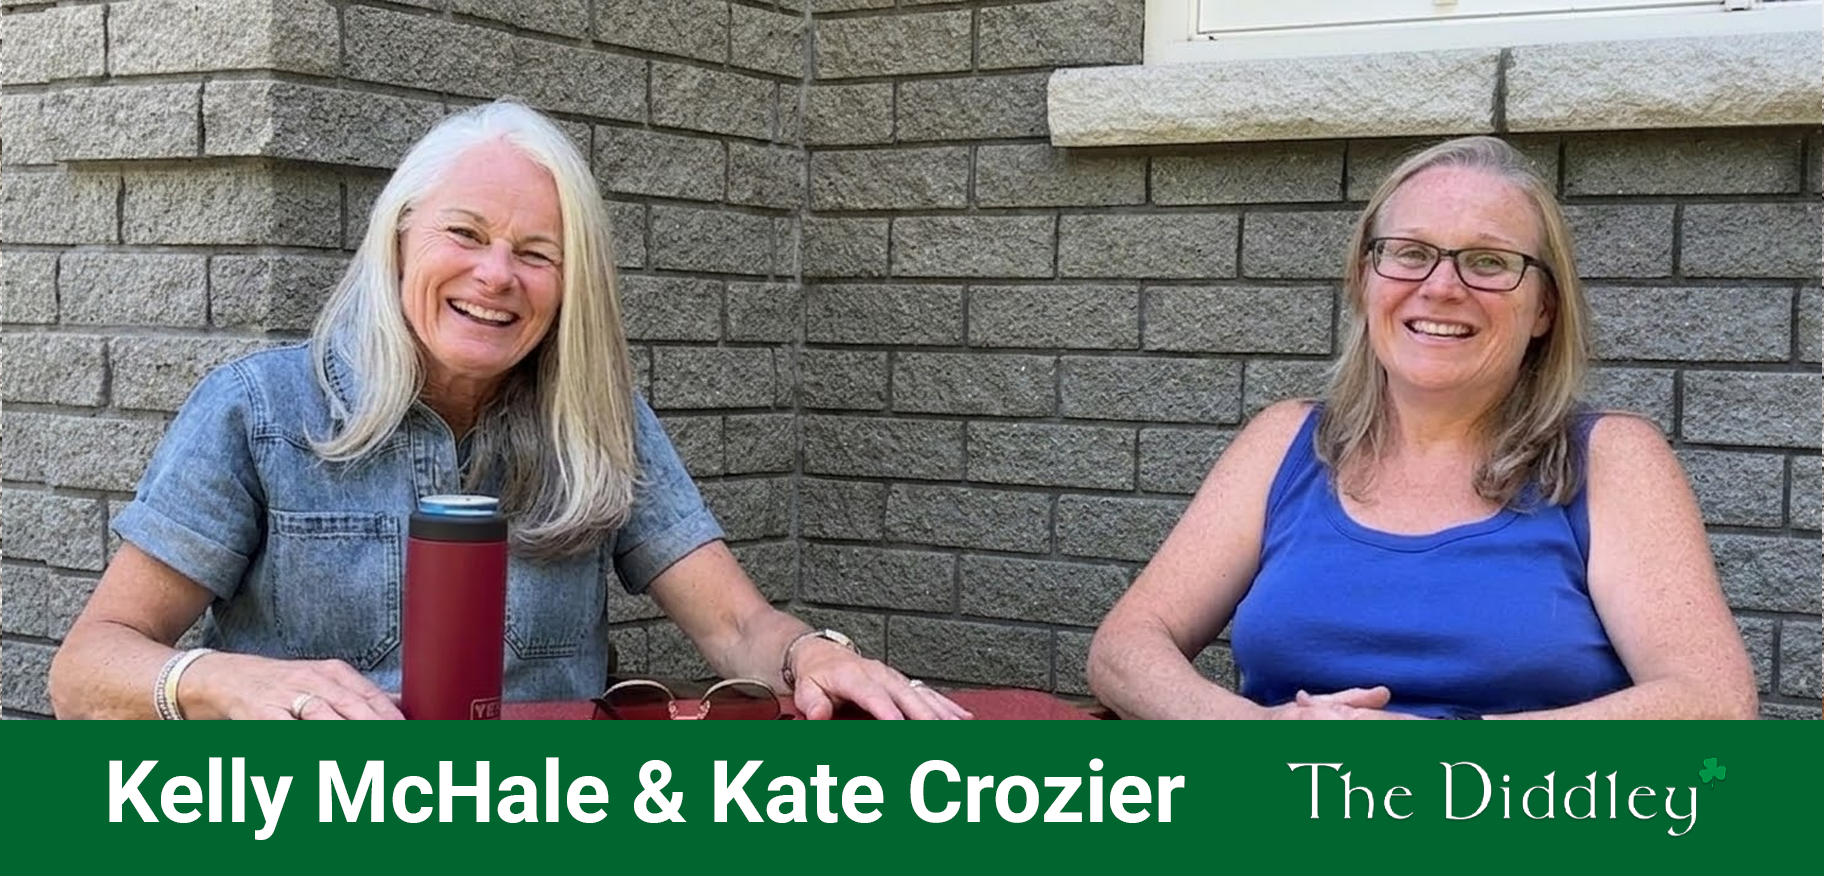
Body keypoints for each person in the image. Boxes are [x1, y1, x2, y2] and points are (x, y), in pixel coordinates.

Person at [48, 100, 969, 721]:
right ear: (400, 238)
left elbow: (735, 628)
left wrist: (815, 653)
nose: (496, 275)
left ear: (570, 285)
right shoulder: (258, 409)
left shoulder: (599, 421)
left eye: (536, 252)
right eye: (465, 233)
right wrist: (228, 682)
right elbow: (86, 668)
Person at [1087, 136, 1756, 720]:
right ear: (1364, 279)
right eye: (1409, 253)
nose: (1441, 287)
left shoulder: (1611, 459)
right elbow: (1125, 647)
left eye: (1488, 261)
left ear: (1544, 308)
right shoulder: (1284, 442)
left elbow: (1713, 701)